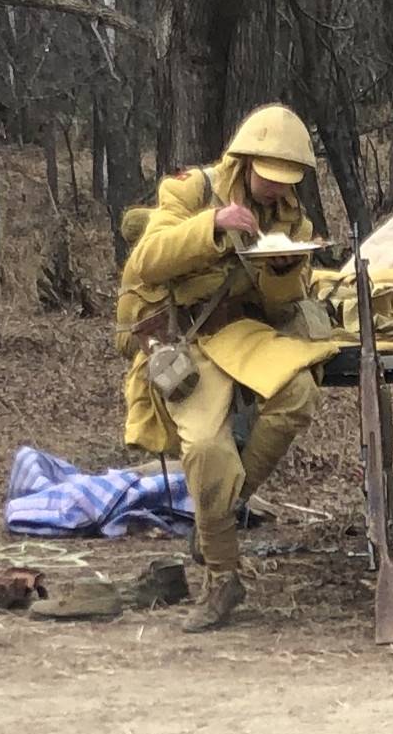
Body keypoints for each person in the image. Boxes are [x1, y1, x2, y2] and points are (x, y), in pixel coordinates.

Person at [118, 104, 334, 634]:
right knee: (206, 450)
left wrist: (283, 270)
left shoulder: (292, 219)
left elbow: (281, 306)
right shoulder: (191, 190)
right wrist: (211, 225)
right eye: (266, 176)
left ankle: (218, 515)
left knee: (299, 391)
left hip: (240, 330)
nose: (274, 190)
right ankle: (222, 576)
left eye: (286, 180)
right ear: (245, 159)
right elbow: (147, 261)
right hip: (183, 335)